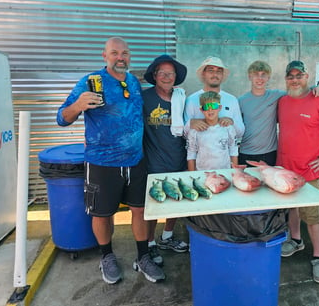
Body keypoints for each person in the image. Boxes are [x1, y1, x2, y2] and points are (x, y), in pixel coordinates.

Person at [56, 37, 165, 284]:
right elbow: (61, 118)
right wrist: (77, 106)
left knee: (141, 210)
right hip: (102, 163)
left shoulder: (133, 82)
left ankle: (143, 256)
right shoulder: (90, 82)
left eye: (125, 53)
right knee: (103, 214)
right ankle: (107, 256)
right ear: (104, 56)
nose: (120, 58)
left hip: (136, 161)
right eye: (115, 53)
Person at [277, 60, 319, 284]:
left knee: (312, 215)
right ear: (286, 79)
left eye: (299, 75)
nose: (295, 80)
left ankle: (318, 257)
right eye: (291, 76)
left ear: (307, 77)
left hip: (308, 171)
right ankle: (296, 240)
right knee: (291, 209)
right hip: (285, 168)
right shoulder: (283, 101)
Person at [142, 54, 189, 266]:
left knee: (176, 200)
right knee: (154, 205)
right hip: (154, 160)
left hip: (178, 157)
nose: (167, 77)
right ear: (155, 76)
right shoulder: (145, 98)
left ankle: (167, 237)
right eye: (162, 73)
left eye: (170, 73)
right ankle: (150, 243)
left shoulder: (182, 99)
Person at [238, 60, 319, 166]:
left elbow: (298, 90)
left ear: (268, 78)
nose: (260, 78)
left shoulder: (276, 95)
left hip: (269, 153)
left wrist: (314, 88)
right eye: (256, 75)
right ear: (249, 77)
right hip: (246, 153)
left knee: (269, 183)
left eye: (263, 75)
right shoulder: (241, 101)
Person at [183, 56, 244, 139]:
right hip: (200, 151)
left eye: (219, 71)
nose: (215, 74)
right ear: (203, 74)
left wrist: (232, 122)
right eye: (210, 70)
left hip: (224, 151)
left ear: (222, 75)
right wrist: (190, 124)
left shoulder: (231, 100)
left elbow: (240, 132)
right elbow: (183, 134)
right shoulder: (192, 100)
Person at [186, 91, 239, 171]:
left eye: (214, 106)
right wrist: (192, 175)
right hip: (202, 173)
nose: (210, 110)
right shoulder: (195, 130)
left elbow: (233, 151)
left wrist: (235, 173)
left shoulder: (228, 128)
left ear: (220, 107)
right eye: (206, 107)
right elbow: (191, 154)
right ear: (201, 109)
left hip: (224, 173)